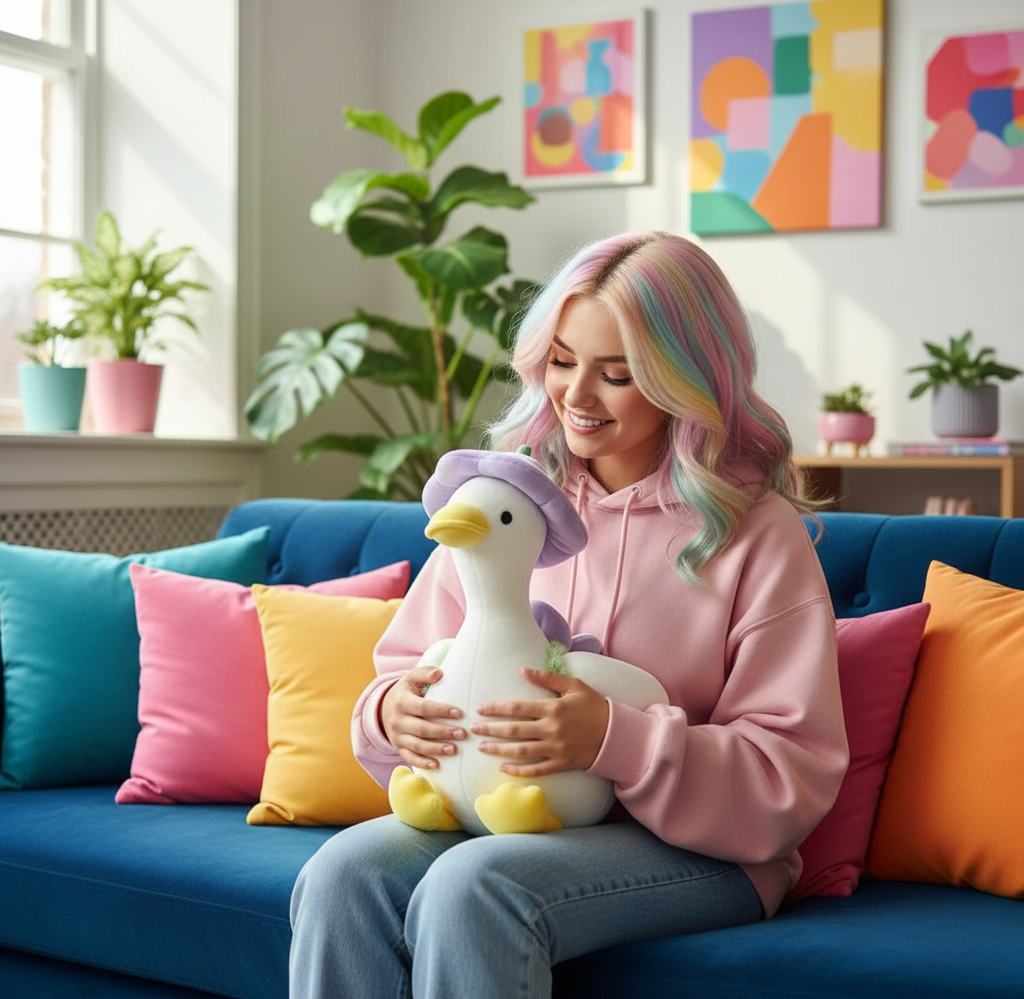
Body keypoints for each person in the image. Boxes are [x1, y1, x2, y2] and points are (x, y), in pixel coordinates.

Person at [289, 231, 849, 999]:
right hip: (506, 813)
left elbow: (790, 770)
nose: (576, 397)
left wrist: (615, 738)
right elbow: (409, 663)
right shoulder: (510, 502)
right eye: (561, 361)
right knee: (341, 873)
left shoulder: (757, 531)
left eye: (616, 374)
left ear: (686, 378)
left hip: (705, 851)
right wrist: (391, 715)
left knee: (476, 888)